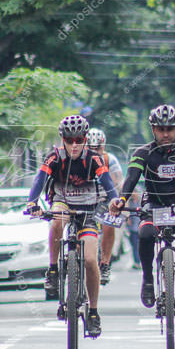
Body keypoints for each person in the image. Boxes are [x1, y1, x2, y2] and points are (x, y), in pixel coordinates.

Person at [109, 105, 175, 327]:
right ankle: (148, 280)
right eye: (161, 129)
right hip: (153, 207)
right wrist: (121, 201)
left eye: (170, 129)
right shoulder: (142, 153)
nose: (165, 134)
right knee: (145, 235)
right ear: (153, 129)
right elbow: (131, 180)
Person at [27, 115, 118, 337]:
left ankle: (94, 312)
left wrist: (115, 200)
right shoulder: (54, 157)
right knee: (57, 219)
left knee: (89, 260)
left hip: (88, 210)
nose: (74, 145)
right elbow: (39, 179)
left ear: (85, 139)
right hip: (63, 202)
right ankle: (53, 269)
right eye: (69, 140)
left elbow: (107, 183)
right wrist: (32, 202)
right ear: (63, 139)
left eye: (79, 140)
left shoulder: (94, 159)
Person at [87, 128, 123, 284]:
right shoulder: (78, 159)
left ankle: (105, 263)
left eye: (98, 148)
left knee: (109, 223)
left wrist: (116, 199)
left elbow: (119, 182)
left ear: (104, 145)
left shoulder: (110, 159)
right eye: (91, 148)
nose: (95, 151)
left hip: (104, 199)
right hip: (84, 199)